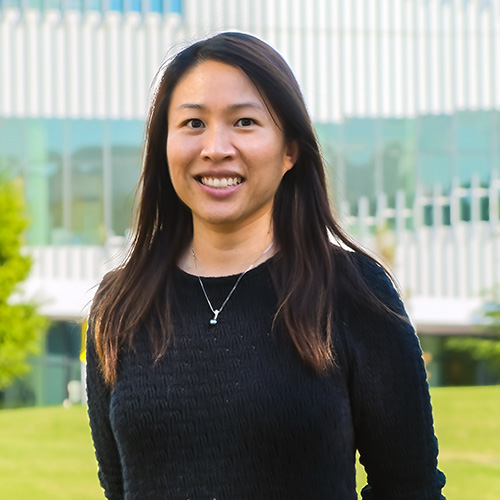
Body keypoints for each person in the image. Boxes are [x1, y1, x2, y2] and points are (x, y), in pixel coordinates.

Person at [86, 32, 446, 500]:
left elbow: (411, 489)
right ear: (164, 146)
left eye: (245, 122)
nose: (215, 147)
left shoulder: (354, 293)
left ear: (290, 150)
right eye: (193, 123)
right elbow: (119, 489)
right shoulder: (121, 306)